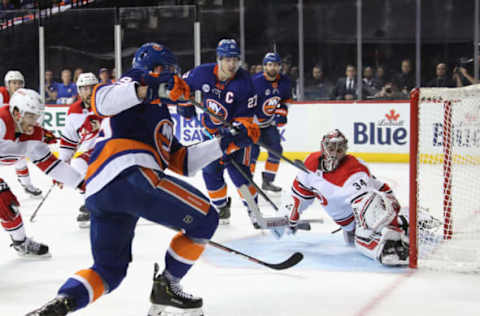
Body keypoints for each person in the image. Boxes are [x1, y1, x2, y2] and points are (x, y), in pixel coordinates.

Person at [26, 42, 259, 316]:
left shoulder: (161, 114)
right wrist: (153, 86)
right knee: (206, 218)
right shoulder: (134, 84)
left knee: (109, 271)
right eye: (170, 71)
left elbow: (184, 162)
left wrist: (227, 142)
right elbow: (101, 100)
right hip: (129, 173)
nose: (175, 78)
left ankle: (61, 303)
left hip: (102, 192)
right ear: (156, 69)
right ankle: (168, 285)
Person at [278, 129, 409, 266]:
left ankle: (393, 241)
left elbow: (372, 198)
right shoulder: (310, 164)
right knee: (359, 229)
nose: (334, 153)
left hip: (364, 220)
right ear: (323, 147)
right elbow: (299, 195)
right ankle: (389, 233)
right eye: (331, 148)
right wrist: (291, 214)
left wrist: (393, 219)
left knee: (366, 203)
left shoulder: (355, 169)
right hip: (349, 226)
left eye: (339, 149)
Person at [178, 39, 260, 226]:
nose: (232, 64)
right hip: (210, 133)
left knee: (241, 176)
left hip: (236, 137)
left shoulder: (245, 83)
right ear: (219, 59)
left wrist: (233, 137)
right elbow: (182, 87)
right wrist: (184, 103)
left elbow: (246, 120)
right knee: (210, 172)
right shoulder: (202, 73)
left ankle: (254, 212)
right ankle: (221, 207)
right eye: (227, 60)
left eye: (235, 60)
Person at [0, 88, 85, 258]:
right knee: (3, 199)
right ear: (16, 113)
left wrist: (83, 184)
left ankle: (21, 243)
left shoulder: (33, 135)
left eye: (37, 116)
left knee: (8, 206)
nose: (35, 122)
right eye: (30, 116)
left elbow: (52, 166)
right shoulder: (1, 122)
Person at [58, 72, 101, 228]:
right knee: (77, 164)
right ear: (78, 91)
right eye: (84, 89)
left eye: (92, 88)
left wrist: (101, 126)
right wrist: (60, 167)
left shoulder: (108, 104)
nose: (88, 92)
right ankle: (92, 201)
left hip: (111, 149)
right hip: (89, 153)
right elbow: (68, 140)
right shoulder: (74, 110)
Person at [250, 52, 292, 192]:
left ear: (280, 66)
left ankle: (268, 181)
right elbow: (243, 101)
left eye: (275, 65)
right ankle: (248, 182)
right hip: (253, 125)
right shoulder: (255, 81)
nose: (272, 67)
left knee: (276, 150)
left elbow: (286, 100)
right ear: (264, 66)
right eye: (269, 64)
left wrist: (281, 112)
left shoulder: (285, 81)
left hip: (268, 124)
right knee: (252, 153)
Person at [0, 70, 43, 196]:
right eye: (13, 82)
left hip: (13, 131)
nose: (17, 85)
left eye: (19, 83)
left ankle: (27, 185)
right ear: (7, 84)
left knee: (21, 156)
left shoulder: (24, 96)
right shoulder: (1, 94)